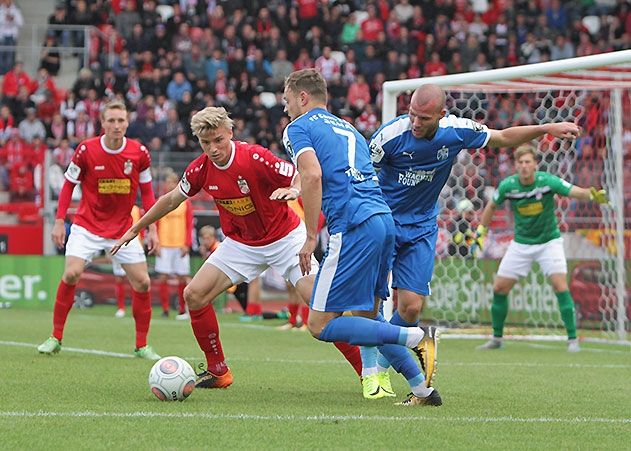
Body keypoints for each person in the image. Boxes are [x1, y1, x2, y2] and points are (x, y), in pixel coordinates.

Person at [112, 106, 363, 389]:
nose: (214, 148)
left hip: (285, 238)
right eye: (206, 143)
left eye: (218, 140)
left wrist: (294, 190)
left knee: (323, 313)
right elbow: (171, 199)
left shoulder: (255, 157)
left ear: (230, 133)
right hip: (242, 244)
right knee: (193, 295)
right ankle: (218, 371)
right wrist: (136, 228)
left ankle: (366, 372)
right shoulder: (200, 169)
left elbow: (298, 175)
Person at [368, 84, 581, 382]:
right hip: (384, 223)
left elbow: (504, 137)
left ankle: (380, 365)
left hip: (421, 227)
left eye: (424, 118)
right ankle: (372, 372)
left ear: (441, 115)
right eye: (412, 115)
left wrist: (546, 127)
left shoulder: (456, 130)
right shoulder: (389, 136)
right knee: (369, 304)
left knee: (412, 307)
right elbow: (363, 176)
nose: (415, 123)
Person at [282, 68, 440, 406]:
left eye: (287, 101)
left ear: (302, 97)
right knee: (369, 317)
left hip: (352, 226)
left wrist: (311, 237)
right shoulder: (349, 128)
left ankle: (415, 336)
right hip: (383, 220)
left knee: (320, 324)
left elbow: (312, 175)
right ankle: (422, 389)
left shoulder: (298, 127)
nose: (286, 109)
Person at [37, 100, 161, 360]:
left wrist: (152, 229)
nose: (116, 126)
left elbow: (148, 193)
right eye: (111, 121)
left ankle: (141, 345)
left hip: (123, 230)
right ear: (102, 123)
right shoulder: (86, 150)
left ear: (127, 122)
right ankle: (55, 337)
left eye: (121, 121)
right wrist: (60, 221)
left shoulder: (139, 153)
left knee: (143, 282)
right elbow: (69, 185)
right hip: (87, 226)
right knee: (71, 274)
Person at [475, 145, 609, 352]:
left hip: (549, 242)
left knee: (560, 286)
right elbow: (492, 206)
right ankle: (497, 338)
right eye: (520, 163)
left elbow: (573, 191)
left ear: (535, 164)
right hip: (521, 244)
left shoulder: (547, 181)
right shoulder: (508, 186)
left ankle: (572, 340)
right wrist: (482, 229)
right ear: (515, 165)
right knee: (499, 288)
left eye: (528, 162)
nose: (524, 166)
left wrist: (591, 195)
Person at [155, 172, 193, 320]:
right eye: (167, 182)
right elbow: (156, 223)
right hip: (164, 244)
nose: (169, 185)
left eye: (172, 182)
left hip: (180, 245)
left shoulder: (185, 203)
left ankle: (182, 309)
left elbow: (189, 225)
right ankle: (165, 309)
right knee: (163, 277)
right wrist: (156, 243)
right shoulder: (161, 201)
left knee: (182, 277)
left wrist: (187, 244)